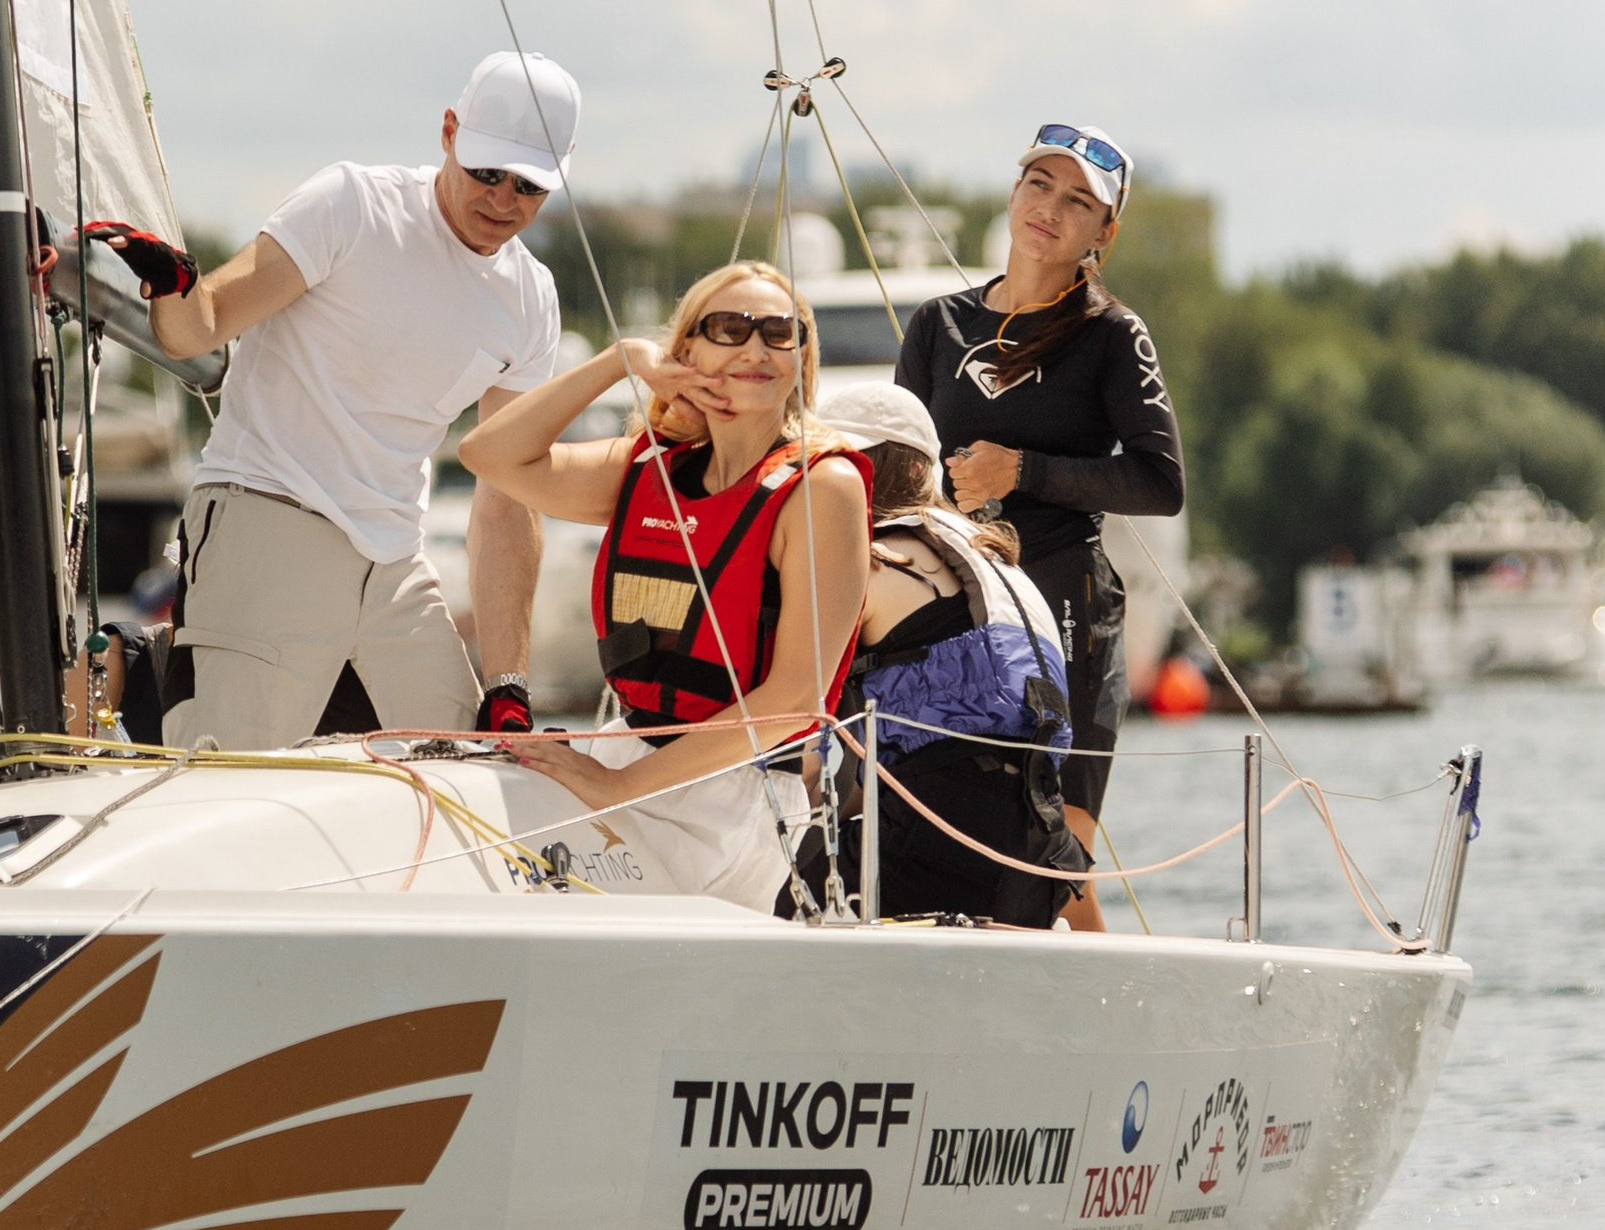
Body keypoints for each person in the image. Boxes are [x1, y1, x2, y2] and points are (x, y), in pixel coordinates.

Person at [89, 52, 574, 750]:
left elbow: (507, 497)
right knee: (227, 784)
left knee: (468, 771)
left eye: (528, 186)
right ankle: (138, 668)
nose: (502, 200)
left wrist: (509, 687)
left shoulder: (532, 300)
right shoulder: (352, 204)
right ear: (448, 133)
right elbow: (208, 321)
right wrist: (174, 285)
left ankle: (163, 664)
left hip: (395, 563)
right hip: (269, 510)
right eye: (486, 173)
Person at [460, 262, 870, 912]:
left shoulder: (824, 486)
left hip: (735, 795)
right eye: (730, 327)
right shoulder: (645, 467)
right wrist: (619, 360)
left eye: (778, 332)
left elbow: (795, 695)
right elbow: (491, 456)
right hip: (628, 756)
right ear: (687, 352)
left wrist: (621, 788)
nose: (756, 347)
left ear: (801, 356)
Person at [893, 122, 1182, 930]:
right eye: (1039, 185)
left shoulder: (1111, 336)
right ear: (1013, 193)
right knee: (959, 857)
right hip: (949, 621)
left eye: (1078, 200)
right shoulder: (936, 325)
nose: (1050, 208)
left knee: (1057, 869)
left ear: (1104, 232)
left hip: (1064, 612)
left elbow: (1162, 483)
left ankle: (1125, 1030)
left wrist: (1023, 471)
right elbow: (896, 476)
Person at [792, 382, 1090, 926]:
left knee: (770, 899)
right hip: (1037, 854)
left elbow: (800, 745)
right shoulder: (995, 560)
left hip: (933, 851)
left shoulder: (873, 561)